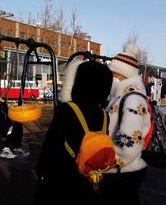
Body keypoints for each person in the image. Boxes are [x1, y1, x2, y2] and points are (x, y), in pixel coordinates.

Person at [34, 60, 113, 205]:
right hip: (90, 177)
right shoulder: (103, 115)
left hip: (63, 178)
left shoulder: (66, 109)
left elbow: (51, 145)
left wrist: (41, 170)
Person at [101, 43, 151, 205]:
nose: (111, 77)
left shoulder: (131, 98)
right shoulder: (124, 94)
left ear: (122, 74)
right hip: (124, 172)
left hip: (122, 171)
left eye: (114, 72)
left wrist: (108, 164)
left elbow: (130, 143)